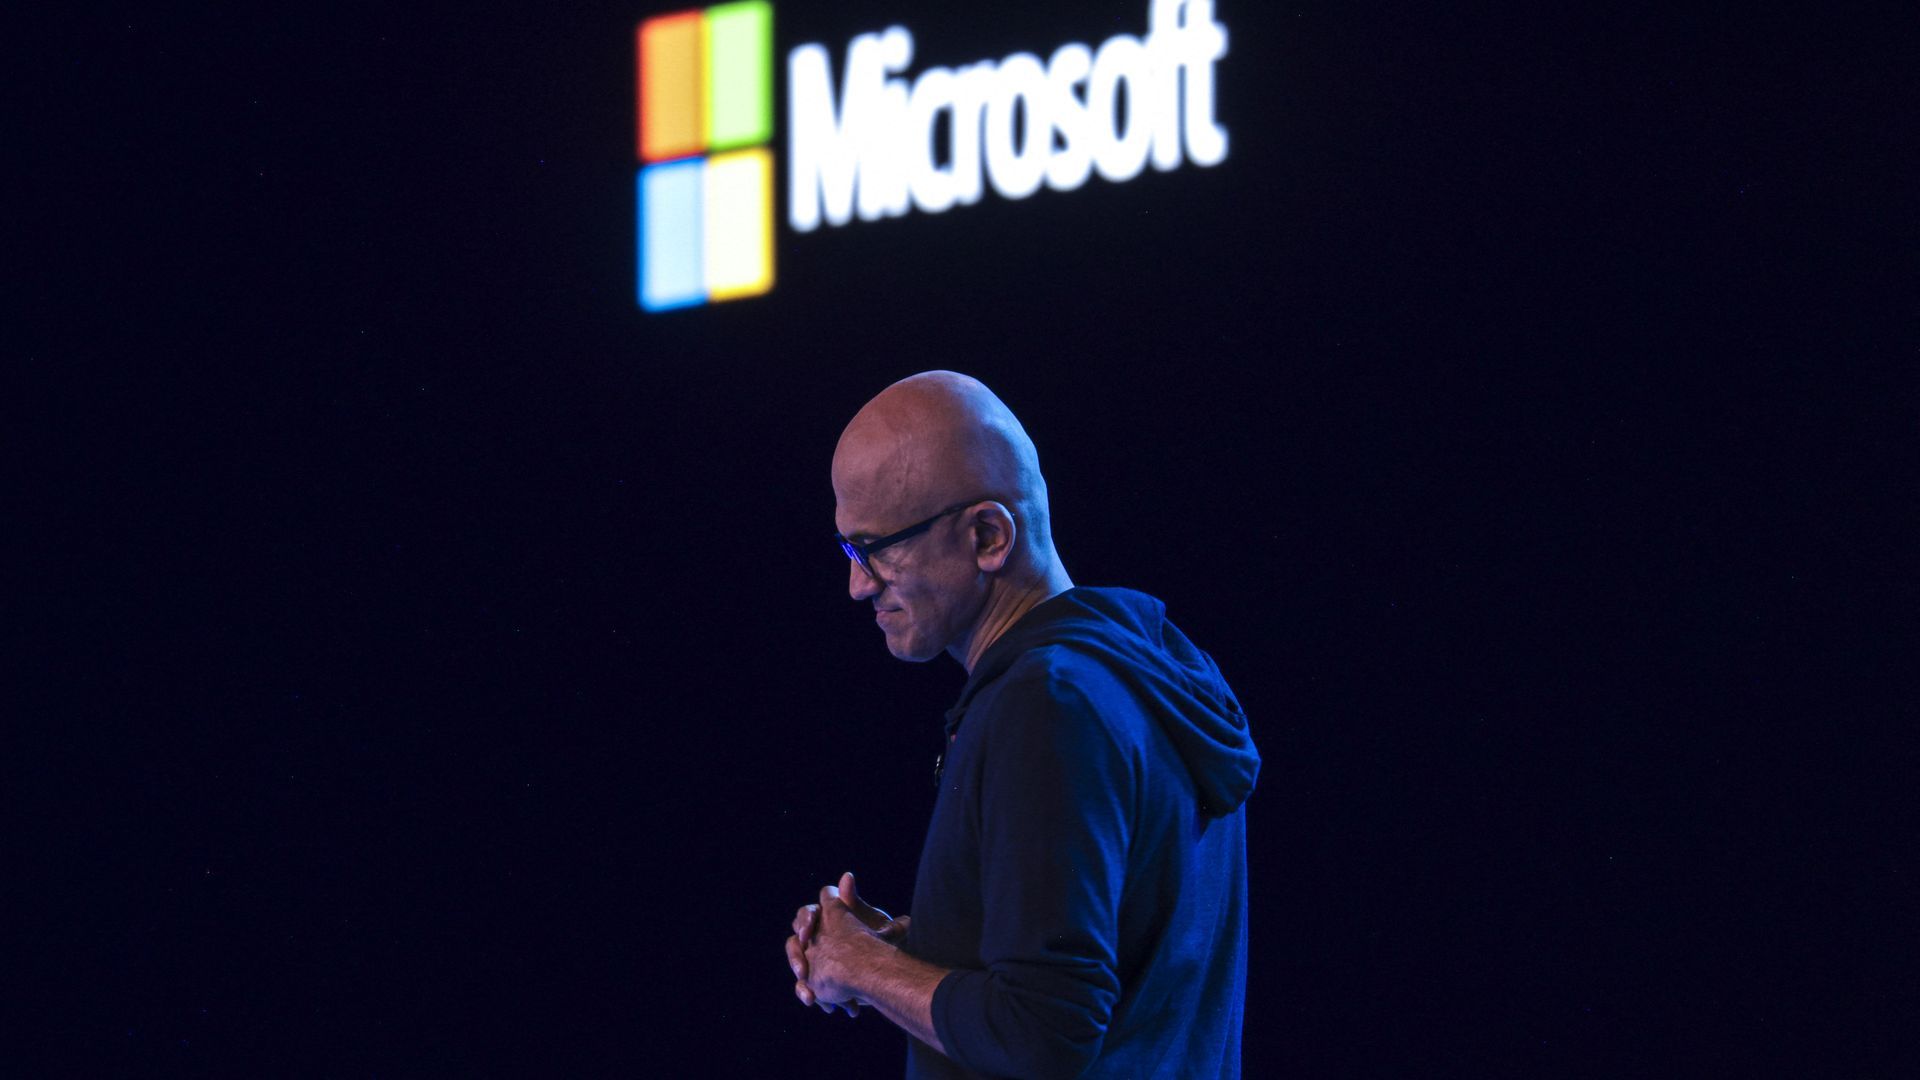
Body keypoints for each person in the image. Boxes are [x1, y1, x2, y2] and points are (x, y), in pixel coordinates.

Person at [785, 371, 1260, 1078]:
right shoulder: (1142, 670)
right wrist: (915, 947)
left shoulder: (1047, 704)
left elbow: (1043, 1031)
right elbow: (1117, 951)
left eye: (876, 547)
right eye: (848, 551)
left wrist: (861, 968)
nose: (858, 584)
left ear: (987, 535)